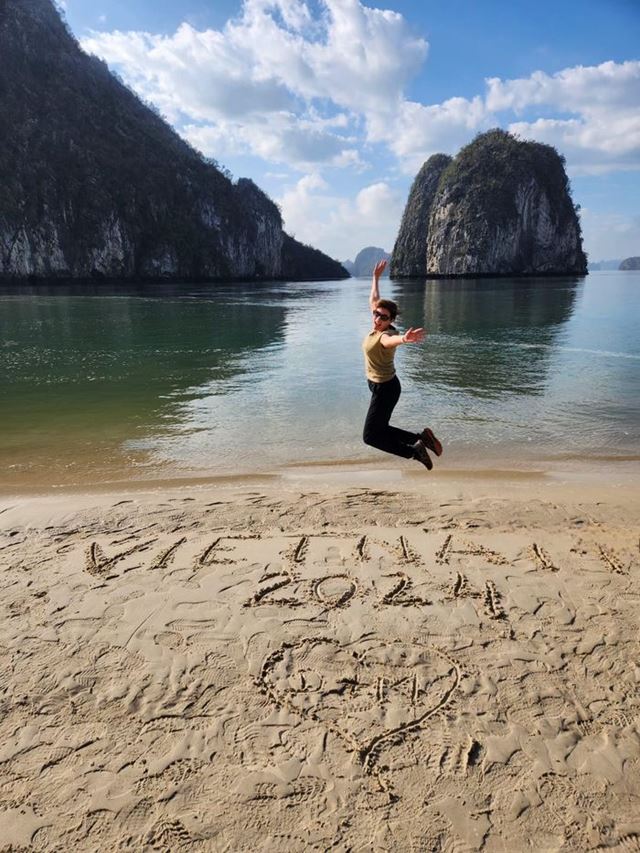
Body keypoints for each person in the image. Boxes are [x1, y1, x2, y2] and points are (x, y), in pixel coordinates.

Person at [362, 259, 442, 469]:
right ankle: (422, 439)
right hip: (381, 386)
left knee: (370, 436)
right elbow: (374, 299)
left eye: (383, 317)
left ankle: (414, 451)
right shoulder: (378, 325)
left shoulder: (385, 336)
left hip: (385, 389)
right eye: (376, 314)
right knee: (379, 429)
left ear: (390, 321)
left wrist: (404, 339)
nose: (377, 319)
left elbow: (391, 341)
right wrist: (375, 278)